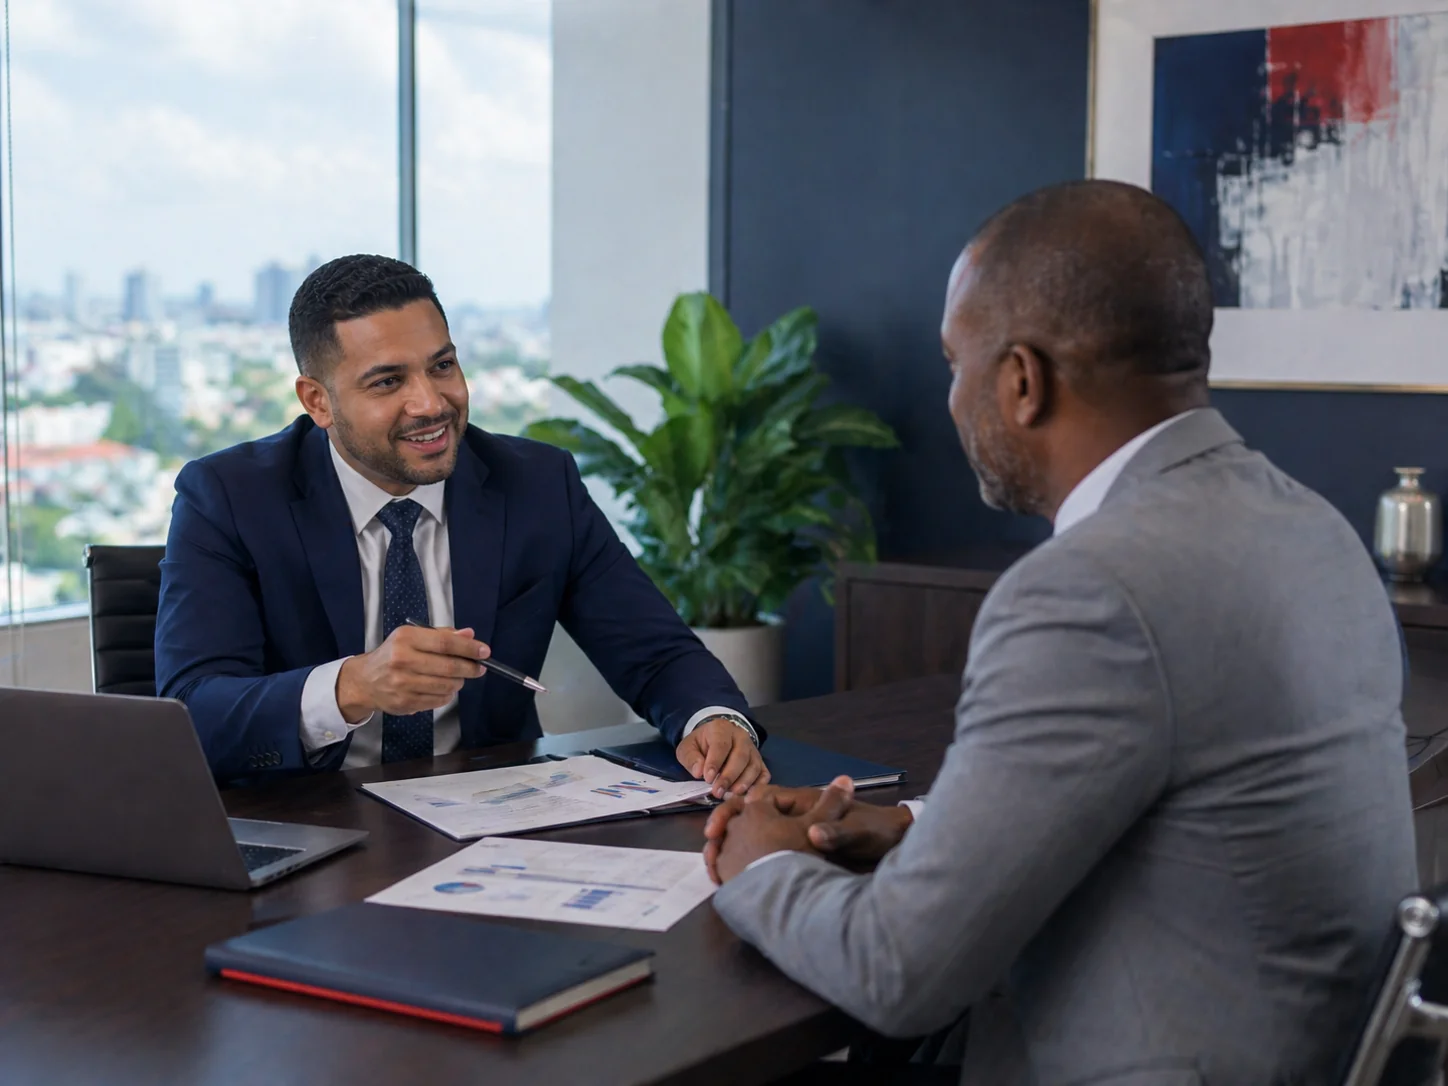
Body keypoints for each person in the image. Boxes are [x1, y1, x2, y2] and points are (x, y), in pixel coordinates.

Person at [701, 181, 1417, 1084]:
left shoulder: (1092, 588)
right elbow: (1184, 821)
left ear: (1022, 382)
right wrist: (922, 832)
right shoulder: (1313, 527)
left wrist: (763, 866)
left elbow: (898, 973)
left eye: (956, 365)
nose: (955, 399)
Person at [155, 255, 767, 793]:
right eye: (388, 381)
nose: (431, 403)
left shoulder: (537, 484)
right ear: (318, 401)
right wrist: (353, 687)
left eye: (442, 365)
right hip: (310, 824)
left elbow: (655, 652)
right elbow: (193, 713)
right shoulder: (228, 497)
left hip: (492, 818)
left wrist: (712, 718)